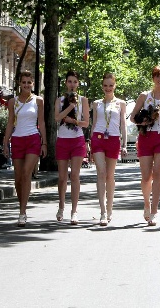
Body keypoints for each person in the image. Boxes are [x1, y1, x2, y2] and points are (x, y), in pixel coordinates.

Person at [130, 66, 160, 226]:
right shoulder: (145, 96)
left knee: (157, 174)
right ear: (153, 78)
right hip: (145, 137)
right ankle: (146, 204)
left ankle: (155, 211)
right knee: (146, 176)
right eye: (157, 76)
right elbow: (132, 118)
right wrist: (143, 121)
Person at [3, 71, 47, 227]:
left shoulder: (38, 101)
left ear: (33, 84)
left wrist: (44, 143)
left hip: (33, 139)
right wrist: (5, 142)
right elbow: (10, 123)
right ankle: (21, 205)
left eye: (29, 82)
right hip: (17, 140)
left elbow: (41, 122)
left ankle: (22, 212)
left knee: (26, 173)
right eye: (24, 82)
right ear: (19, 84)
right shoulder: (12, 102)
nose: (27, 85)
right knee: (18, 177)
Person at [91, 72, 127, 226]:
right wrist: (89, 142)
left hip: (113, 138)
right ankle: (103, 211)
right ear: (102, 86)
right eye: (105, 85)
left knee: (110, 176)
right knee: (101, 172)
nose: (108, 88)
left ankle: (110, 207)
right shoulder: (96, 103)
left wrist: (124, 144)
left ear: (115, 86)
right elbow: (94, 124)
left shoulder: (121, 104)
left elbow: (123, 125)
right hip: (98, 138)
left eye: (111, 85)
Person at [54, 70, 90, 225]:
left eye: (75, 82)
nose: (72, 84)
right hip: (62, 140)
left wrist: (74, 121)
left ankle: (74, 211)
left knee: (74, 176)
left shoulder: (84, 100)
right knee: (62, 178)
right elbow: (57, 118)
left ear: (78, 84)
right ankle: (61, 206)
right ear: (66, 83)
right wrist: (70, 107)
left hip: (77, 140)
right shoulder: (60, 100)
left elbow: (86, 123)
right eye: (70, 81)